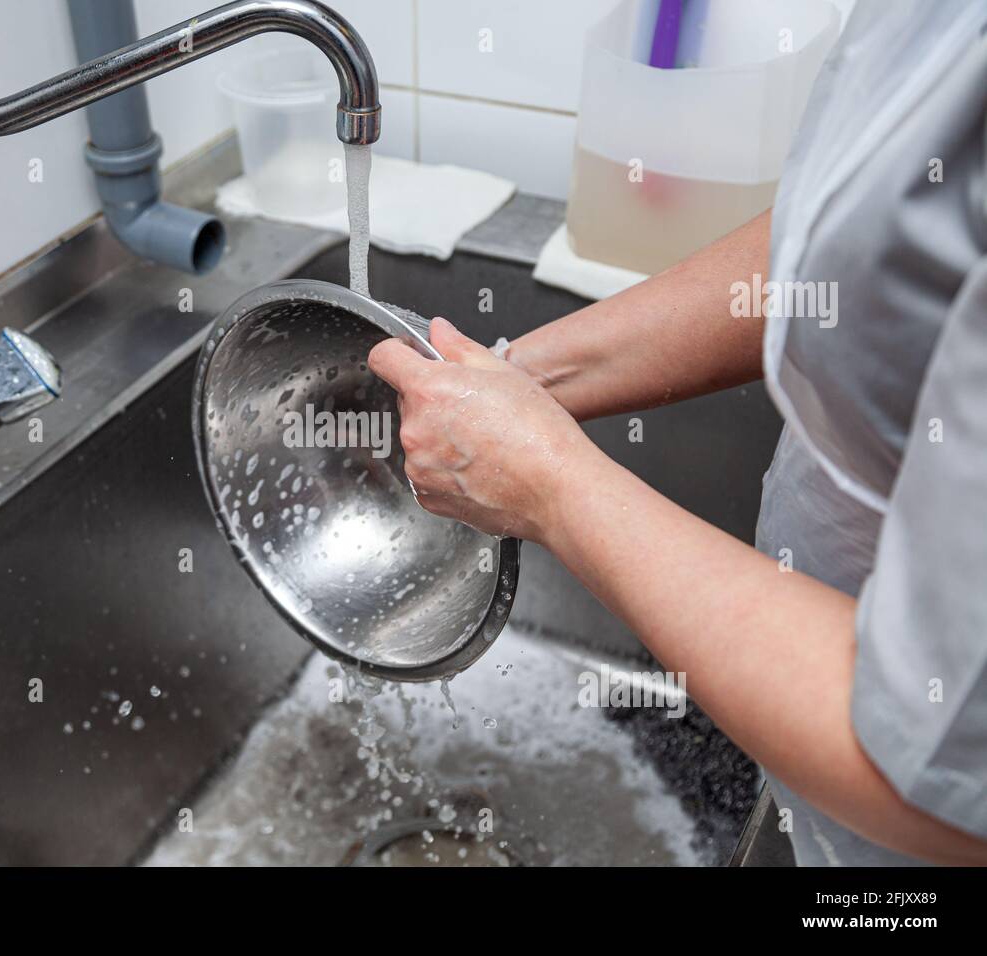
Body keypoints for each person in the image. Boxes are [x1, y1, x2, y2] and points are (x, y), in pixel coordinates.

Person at [368, 0, 987, 866]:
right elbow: (854, 236)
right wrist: (520, 380)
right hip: (809, 722)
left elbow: (944, 772)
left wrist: (547, 480)